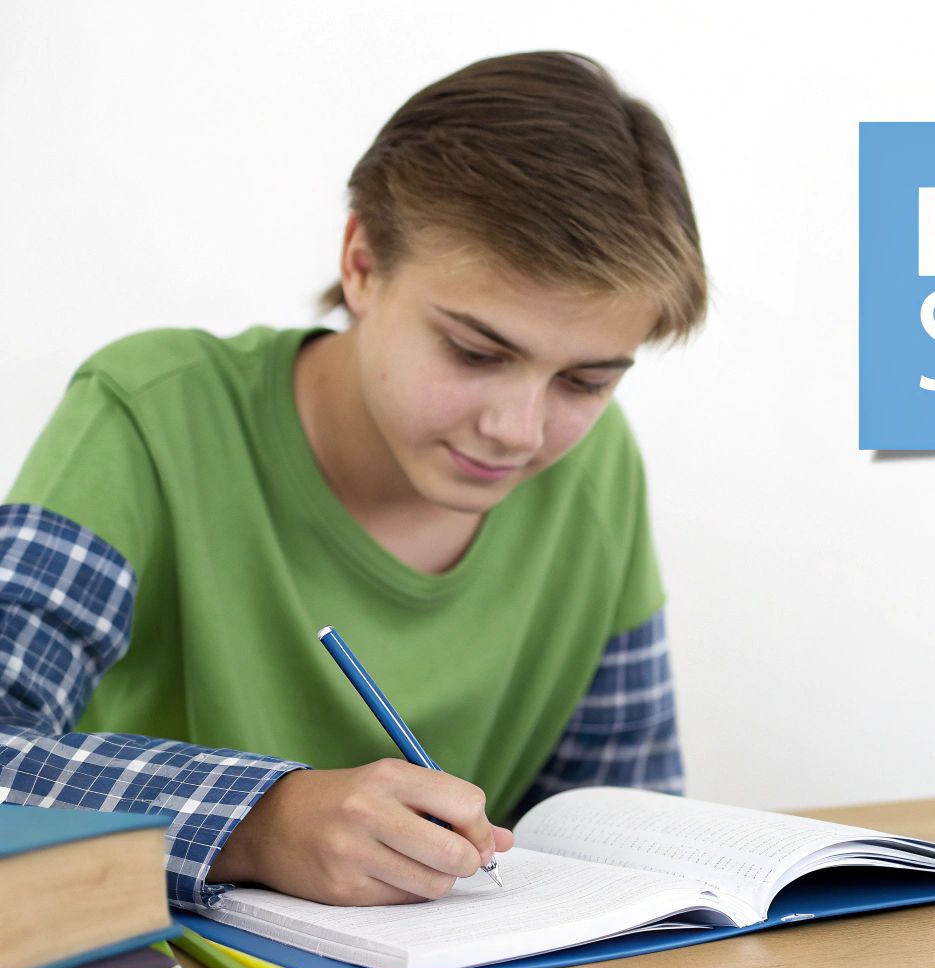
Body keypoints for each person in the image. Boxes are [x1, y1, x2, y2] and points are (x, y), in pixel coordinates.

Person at [0, 51, 707, 910]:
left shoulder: (595, 467)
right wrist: (260, 822)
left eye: (587, 382)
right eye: (477, 352)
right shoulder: (150, 412)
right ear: (363, 263)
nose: (519, 431)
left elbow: (618, 822)